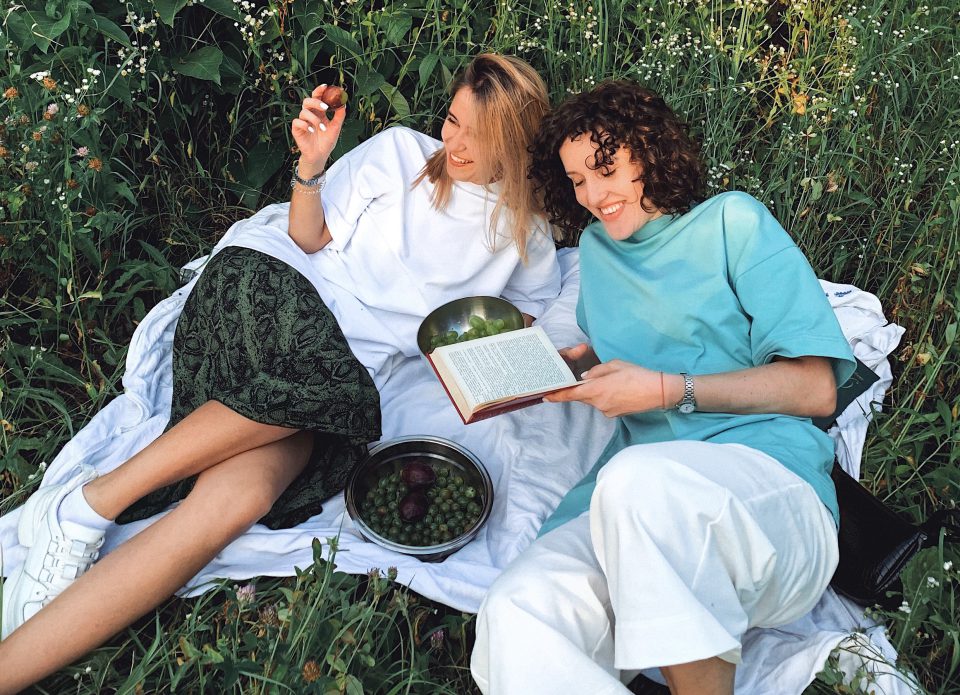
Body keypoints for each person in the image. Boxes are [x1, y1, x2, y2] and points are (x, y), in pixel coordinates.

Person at [0, 53, 559, 692]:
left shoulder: (524, 234)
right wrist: (311, 166)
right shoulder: (402, 154)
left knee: (241, 500)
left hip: (335, 379)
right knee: (319, 392)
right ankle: (88, 505)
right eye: (454, 121)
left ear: (516, 144)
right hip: (278, 287)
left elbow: (526, 319)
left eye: (480, 135)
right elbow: (307, 236)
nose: (455, 144)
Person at [470, 80, 856, 695]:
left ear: (649, 151)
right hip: (635, 516)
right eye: (577, 180)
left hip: (765, 492)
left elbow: (815, 390)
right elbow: (621, 346)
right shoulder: (598, 250)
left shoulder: (733, 221)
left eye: (607, 168)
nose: (594, 196)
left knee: (638, 484)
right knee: (517, 606)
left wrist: (667, 390)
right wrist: (561, 364)